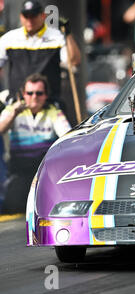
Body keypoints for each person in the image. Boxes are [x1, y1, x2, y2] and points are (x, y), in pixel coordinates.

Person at [0, 73, 71, 214]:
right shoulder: (12, 109)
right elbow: (1, 128)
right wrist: (14, 113)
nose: (34, 97)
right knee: (12, 205)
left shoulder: (53, 112)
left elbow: (67, 136)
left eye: (39, 93)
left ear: (46, 95)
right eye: (30, 93)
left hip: (44, 171)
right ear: (23, 94)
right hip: (19, 169)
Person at [0, 0, 81, 105]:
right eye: (26, 16)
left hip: (49, 104)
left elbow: (73, 61)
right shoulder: (9, 38)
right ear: (21, 16)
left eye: (33, 16)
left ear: (43, 16)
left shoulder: (57, 37)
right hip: (18, 104)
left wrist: (68, 34)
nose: (30, 20)